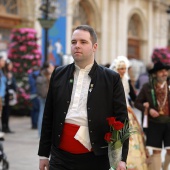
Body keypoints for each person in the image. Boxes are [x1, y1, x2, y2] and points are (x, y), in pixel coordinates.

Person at [38, 25, 129, 170]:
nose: (77, 46)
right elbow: (48, 115)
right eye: (74, 42)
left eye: (83, 42)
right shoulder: (58, 74)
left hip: (96, 157)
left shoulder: (111, 78)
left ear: (94, 47)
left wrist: (121, 158)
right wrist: (43, 154)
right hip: (59, 156)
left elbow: (121, 119)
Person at [110, 56, 148, 170]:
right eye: (120, 68)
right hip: (115, 111)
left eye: (124, 69)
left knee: (130, 135)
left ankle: (132, 163)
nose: (123, 71)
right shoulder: (112, 80)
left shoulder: (126, 80)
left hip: (127, 111)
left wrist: (143, 102)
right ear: (116, 69)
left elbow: (133, 97)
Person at [134, 61, 170, 170]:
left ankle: (164, 168)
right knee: (156, 150)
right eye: (161, 71)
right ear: (155, 74)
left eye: (166, 71)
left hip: (169, 123)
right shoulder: (147, 87)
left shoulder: (169, 85)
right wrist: (148, 110)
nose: (164, 73)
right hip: (154, 124)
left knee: (169, 149)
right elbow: (137, 103)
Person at [36, 62, 54, 137]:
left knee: (41, 114)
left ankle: (40, 132)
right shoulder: (48, 75)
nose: (52, 67)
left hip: (41, 96)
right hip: (46, 97)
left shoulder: (40, 74)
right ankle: (42, 132)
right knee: (44, 115)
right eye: (51, 66)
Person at [1, 59, 17, 133]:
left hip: (7, 95)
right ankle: (3, 127)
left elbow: (14, 84)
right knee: (4, 112)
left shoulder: (8, 73)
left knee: (6, 112)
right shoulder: (3, 73)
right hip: (3, 95)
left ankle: (5, 127)